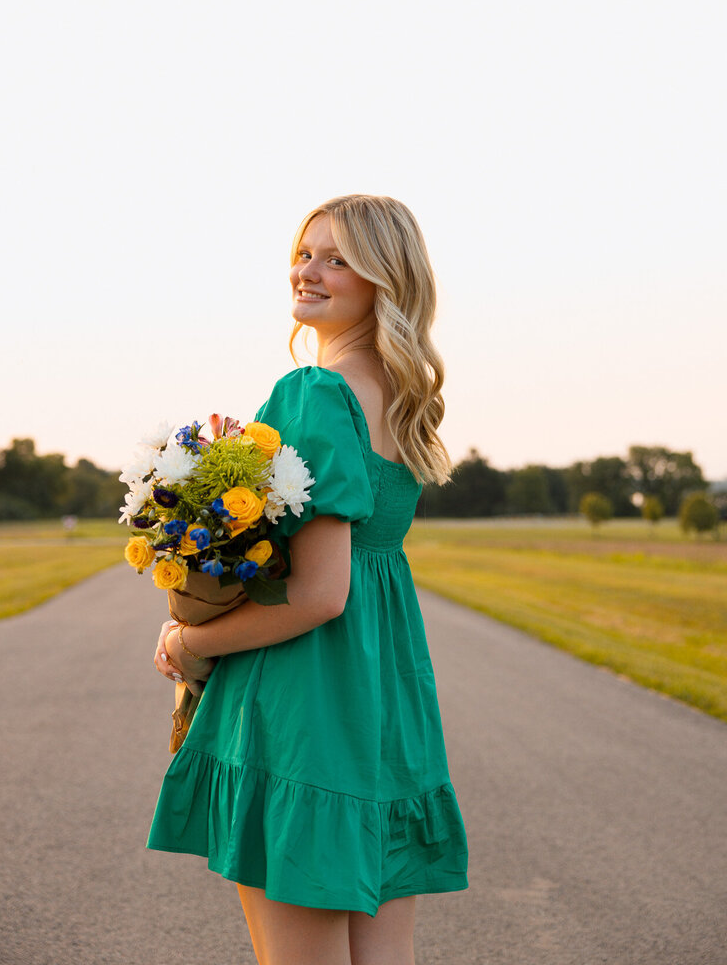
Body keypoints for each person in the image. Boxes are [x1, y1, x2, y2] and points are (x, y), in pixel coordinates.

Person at [147, 193, 469, 965]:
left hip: (306, 708)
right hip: (383, 701)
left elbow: (322, 592)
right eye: (305, 251)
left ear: (383, 280)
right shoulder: (402, 397)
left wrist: (193, 637)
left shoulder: (315, 392)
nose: (310, 271)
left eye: (338, 258)